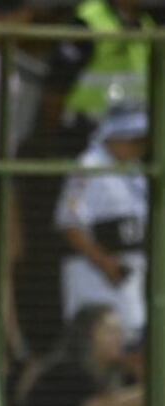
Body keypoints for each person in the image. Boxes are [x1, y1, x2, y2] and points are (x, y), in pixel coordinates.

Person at [54, 105, 148, 348]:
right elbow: (69, 222)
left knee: (133, 342)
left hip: (132, 278)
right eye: (136, 140)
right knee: (96, 346)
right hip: (97, 278)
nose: (141, 146)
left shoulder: (136, 170)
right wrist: (106, 264)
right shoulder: (90, 166)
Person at [17, 304, 142, 406]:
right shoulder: (65, 372)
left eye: (120, 331)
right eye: (110, 331)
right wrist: (155, 389)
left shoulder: (117, 374)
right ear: (87, 335)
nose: (119, 338)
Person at [42, 0, 153, 140]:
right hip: (83, 131)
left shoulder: (147, 23)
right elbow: (56, 84)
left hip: (131, 131)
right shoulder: (88, 20)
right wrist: (49, 138)